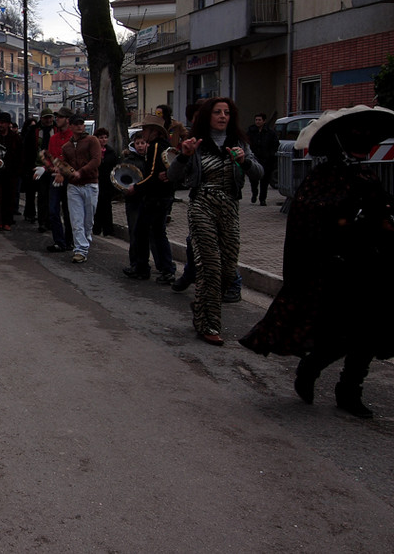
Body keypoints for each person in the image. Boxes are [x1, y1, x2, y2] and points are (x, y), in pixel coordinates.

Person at [240, 105, 394, 418]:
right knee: (340, 333)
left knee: (368, 333)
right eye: (357, 140)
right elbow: (311, 221)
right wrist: (347, 223)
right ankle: (310, 368)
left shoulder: (367, 175)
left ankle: (349, 390)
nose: (364, 146)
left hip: (370, 268)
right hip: (335, 269)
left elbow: (382, 216)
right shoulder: (323, 178)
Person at [167, 97, 262, 346]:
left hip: (230, 206)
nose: (222, 116)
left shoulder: (239, 143)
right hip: (202, 205)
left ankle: (202, 306)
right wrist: (184, 156)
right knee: (210, 266)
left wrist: (245, 161)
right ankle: (209, 325)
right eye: (217, 112)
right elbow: (172, 176)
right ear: (208, 116)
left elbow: (259, 173)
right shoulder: (194, 144)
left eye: (227, 112)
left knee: (228, 270)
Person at [124, 114, 176, 283]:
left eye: (145, 129)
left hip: (156, 196)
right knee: (155, 232)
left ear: (153, 131)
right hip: (163, 195)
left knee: (146, 232)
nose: (143, 132)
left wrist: (136, 187)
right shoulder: (165, 146)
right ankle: (154, 267)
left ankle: (150, 268)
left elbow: (152, 174)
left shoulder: (155, 147)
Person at [60, 116, 102, 263]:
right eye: (76, 124)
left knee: (88, 220)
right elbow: (65, 165)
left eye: (81, 124)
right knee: (76, 220)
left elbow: (96, 160)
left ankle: (85, 241)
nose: (79, 126)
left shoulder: (92, 141)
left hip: (90, 184)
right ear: (70, 126)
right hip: (74, 187)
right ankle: (80, 249)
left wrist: (81, 172)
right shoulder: (66, 147)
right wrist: (64, 171)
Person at [43, 110, 73, 252]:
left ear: (67, 120)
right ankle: (59, 241)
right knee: (53, 210)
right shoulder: (54, 138)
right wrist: (47, 168)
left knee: (69, 212)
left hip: (69, 178)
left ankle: (69, 240)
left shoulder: (73, 137)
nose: (57, 119)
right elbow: (49, 158)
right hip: (55, 177)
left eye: (60, 117)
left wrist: (62, 171)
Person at [121, 131, 148, 272]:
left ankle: (144, 263)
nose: (140, 146)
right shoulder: (129, 160)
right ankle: (135, 262)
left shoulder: (150, 159)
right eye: (138, 143)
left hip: (148, 200)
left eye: (143, 143)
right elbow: (122, 179)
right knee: (135, 231)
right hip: (134, 201)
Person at [21, 111, 54, 229]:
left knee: (49, 196)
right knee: (40, 195)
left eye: (50, 118)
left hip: (52, 167)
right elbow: (26, 149)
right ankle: (41, 221)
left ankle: (49, 220)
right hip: (36, 167)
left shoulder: (56, 130)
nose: (48, 120)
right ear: (42, 118)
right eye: (46, 118)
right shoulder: (34, 131)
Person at [0, 111, 22, 232]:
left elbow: (20, 155)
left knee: (10, 197)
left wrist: (18, 171)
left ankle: (7, 221)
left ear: (8, 124)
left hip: (11, 173)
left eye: (3, 123)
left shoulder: (15, 138)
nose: (0, 125)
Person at [247, 113, 280, 206]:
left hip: (266, 160)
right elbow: (246, 142)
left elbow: (275, 145)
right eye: (256, 120)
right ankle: (254, 193)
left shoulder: (270, 132)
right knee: (253, 179)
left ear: (264, 121)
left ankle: (262, 199)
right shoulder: (251, 131)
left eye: (259, 120)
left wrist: (271, 155)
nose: (257, 122)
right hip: (254, 158)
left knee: (264, 181)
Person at [93, 127, 118, 236]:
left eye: (105, 138)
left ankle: (108, 230)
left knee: (107, 206)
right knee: (96, 206)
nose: (103, 140)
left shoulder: (111, 152)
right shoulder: (93, 151)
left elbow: (114, 167)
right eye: (101, 138)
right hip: (96, 181)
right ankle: (96, 228)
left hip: (107, 183)